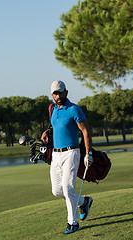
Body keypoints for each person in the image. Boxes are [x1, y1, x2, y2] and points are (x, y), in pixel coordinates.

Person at [41, 80, 93, 234]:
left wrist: (88, 153)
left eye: (60, 92)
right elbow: (54, 126)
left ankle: (73, 223)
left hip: (72, 152)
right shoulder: (53, 110)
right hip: (56, 155)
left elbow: (86, 131)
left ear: (66, 92)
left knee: (68, 188)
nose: (58, 96)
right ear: (52, 95)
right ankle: (84, 201)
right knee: (57, 191)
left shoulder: (74, 109)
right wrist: (46, 132)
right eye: (55, 93)